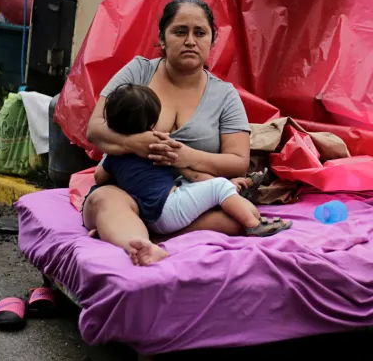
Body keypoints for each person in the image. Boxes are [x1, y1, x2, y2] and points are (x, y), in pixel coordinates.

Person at [82, 0, 254, 265]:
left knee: (233, 220)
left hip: (186, 200)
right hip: (128, 193)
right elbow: (94, 129)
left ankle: (143, 236)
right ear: (162, 38)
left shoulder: (225, 95)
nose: (190, 41)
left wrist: (186, 157)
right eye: (179, 31)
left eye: (200, 33)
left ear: (212, 40)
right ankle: (135, 240)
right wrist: (135, 143)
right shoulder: (139, 71)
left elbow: (239, 162)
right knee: (104, 199)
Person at [90, 83, 290, 264]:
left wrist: (114, 155)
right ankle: (253, 224)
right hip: (168, 209)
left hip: (147, 214)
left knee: (208, 194)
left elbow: (99, 177)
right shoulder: (160, 145)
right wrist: (221, 185)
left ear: (110, 122)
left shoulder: (113, 153)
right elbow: (193, 175)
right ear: (152, 124)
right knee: (220, 187)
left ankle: (141, 238)